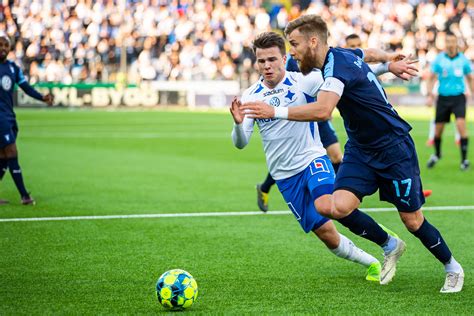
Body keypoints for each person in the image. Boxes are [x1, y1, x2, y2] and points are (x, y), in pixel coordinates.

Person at [241, 15, 463, 293]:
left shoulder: (335, 69)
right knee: (331, 206)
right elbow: (365, 54)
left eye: (294, 45)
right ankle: (389, 245)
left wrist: (274, 111)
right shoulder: (339, 56)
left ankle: (452, 267)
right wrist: (389, 61)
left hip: (393, 146)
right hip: (360, 148)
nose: (292, 52)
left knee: (412, 220)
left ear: (313, 42)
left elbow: (322, 111)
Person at [231, 31, 387, 282]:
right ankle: (372, 263)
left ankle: (387, 241)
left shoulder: (305, 80)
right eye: (262, 61)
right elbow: (241, 143)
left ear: (284, 58)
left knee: (329, 203)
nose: (267, 66)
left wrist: (387, 67)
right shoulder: (250, 96)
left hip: (313, 159)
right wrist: (239, 124)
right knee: (327, 234)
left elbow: (348, 77)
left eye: (272, 59)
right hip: (284, 176)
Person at [0, 35, 54, 205]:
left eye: (5, 45)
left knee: (3, 156)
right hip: (0, 120)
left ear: (9, 49)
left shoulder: (13, 68)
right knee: (12, 153)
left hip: (9, 117)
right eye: (0, 45)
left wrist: (42, 98)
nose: (2, 48)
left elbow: (26, 88)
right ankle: (24, 195)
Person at [426, 32, 473, 171]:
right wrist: (429, 94)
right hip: (443, 98)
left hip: (458, 97)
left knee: (461, 125)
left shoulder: (463, 60)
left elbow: (470, 77)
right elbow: (431, 77)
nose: (450, 44)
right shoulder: (439, 59)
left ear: (456, 43)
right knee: (438, 130)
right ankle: (437, 154)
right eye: (448, 41)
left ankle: (464, 160)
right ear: (445, 43)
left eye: (453, 41)